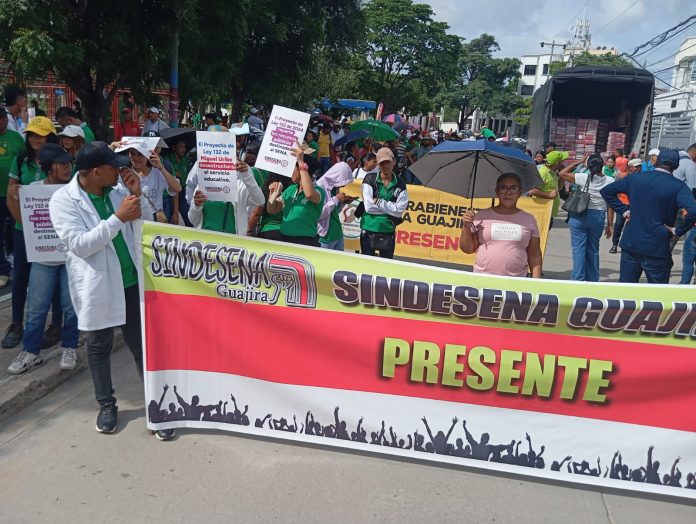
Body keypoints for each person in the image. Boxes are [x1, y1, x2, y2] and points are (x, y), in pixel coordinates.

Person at [49, 142, 175, 440]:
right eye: (113, 167)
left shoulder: (118, 191)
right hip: (98, 286)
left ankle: (156, 406)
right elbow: (80, 245)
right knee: (99, 346)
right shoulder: (63, 201)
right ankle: (106, 405)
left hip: (130, 280)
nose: (121, 171)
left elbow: (142, 226)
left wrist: (137, 195)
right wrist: (118, 217)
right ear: (96, 171)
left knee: (141, 345)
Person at [7, 144, 78, 374]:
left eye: (69, 163)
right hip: (43, 260)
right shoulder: (33, 190)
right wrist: (15, 199)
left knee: (70, 307)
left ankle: (70, 346)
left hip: (69, 260)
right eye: (62, 164)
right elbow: (23, 222)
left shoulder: (75, 190)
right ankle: (30, 351)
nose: (68, 168)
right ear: (49, 167)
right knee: (36, 308)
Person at [4, 116, 62, 349]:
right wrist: (24, 224)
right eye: (31, 134)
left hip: (53, 231)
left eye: (40, 134)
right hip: (24, 231)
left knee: (57, 277)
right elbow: (11, 196)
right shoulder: (20, 161)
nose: (35, 138)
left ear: (50, 136)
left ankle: (56, 324)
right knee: (21, 276)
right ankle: (17, 323)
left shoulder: (60, 161)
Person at [600, 149, 696, 283]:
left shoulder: (636, 178)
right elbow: (693, 211)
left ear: (657, 161)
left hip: (631, 243)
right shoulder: (678, 186)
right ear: (676, 166)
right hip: (657, 246)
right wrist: (678, 230)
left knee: (625, 293)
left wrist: (624, 211)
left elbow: (606, 191)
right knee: (656, 296)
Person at [459, 173, 542, 278]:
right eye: (503, 188)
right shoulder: (482, 215)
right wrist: (466, 227)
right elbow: (467, 249)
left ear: (520, 192)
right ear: (497, 192)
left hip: (517, 280)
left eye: (513, 188)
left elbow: (534, 254)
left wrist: (536, 283)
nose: (508, 192)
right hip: (482, 278)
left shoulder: (529, 219)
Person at [559, 154, 615, 282]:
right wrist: (610, 224)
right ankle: (592, 279)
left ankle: (578, 279)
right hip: (598, 216)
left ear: (588, 165)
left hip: (579, 215)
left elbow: (562, 173)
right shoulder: (610, 180)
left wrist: (578, 162)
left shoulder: (583, 177)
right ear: (603, 165)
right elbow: (610, 204)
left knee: (579, 249)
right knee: (593, 248)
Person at [187, 157, 264, 235]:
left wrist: (246, 175)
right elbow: (193, 220)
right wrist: (196, 206)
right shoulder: (201, 187)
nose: (220, 169)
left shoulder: (240, 187)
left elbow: (260, 200)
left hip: (231, 243)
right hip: (205, 241)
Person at [267, 149, 326, 247]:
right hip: (284, 240)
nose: (290, 172)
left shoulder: (319, 190)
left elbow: (309, 195)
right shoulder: (290, 189)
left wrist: (300, 161)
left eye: (292, 169)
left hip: (305, 243)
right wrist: (273, 193)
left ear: (300, 169)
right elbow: (272, 210)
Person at [360, 148, 408, 258]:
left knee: (386, 268)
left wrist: (379, 202)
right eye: (382, 163)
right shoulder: (369, 178)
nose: (385, 165)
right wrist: (391, 208)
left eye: (388, 162)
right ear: (377, 163)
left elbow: (399, 211)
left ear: (394, 162)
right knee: (366, 267)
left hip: (388, 230)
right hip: (368, 228)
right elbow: (368, 207)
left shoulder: (401, 184)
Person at [118, 140, 181, 221]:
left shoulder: (157, 173)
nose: (136, 158)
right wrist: (111, 148)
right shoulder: (125, 174)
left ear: (148, 155)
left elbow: (177, 189)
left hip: (154, 218)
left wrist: (161, 168)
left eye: (140, 154)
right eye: (132, 153)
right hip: (134, 218)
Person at [0, 108, 25, 288]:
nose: (1, 123)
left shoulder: (16, 137)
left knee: (20, 228)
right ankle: (2, 270)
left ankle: (23, 262)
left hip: (16, 195)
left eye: (2, 119)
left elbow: (27, 158)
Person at [317, 162, 354, 251]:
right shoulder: (319, 187)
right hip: (326, 238)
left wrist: (343, 202)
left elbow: (334, 212)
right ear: (336, 177)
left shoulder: (333, 187)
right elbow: (318, 214)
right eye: (343, 181)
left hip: (338, 235)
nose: (344, 185)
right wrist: (336, 199)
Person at [609, 158, 642, 254]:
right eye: (636, 167)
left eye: (639, 167)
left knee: (634, 226)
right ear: (630, 168)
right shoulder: (623, 177)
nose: (638, 169)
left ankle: (631, 246)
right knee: (619, 224)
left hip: (635, 205)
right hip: (623, 204)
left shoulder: (643, 178)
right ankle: (614, 244)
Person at [528, 150, 563, 230]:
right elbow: (532, 191)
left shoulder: (552, 172)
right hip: (542, 211)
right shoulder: (543, 173)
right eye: (561, 162)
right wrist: (548, 195)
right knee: (539, 237)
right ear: (556, 163)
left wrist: (562, 176)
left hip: (549, 211)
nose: (563, 163)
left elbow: (560, 187)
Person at [164, 139, 194, 227]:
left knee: (188, 217)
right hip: (171, 192)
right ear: (174, 147)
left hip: (184, 191)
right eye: (181, 147)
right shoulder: (167, 159)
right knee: (172, 218)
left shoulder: (187, 160)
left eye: (184, 147)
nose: (183, 149)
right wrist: (173, 173)